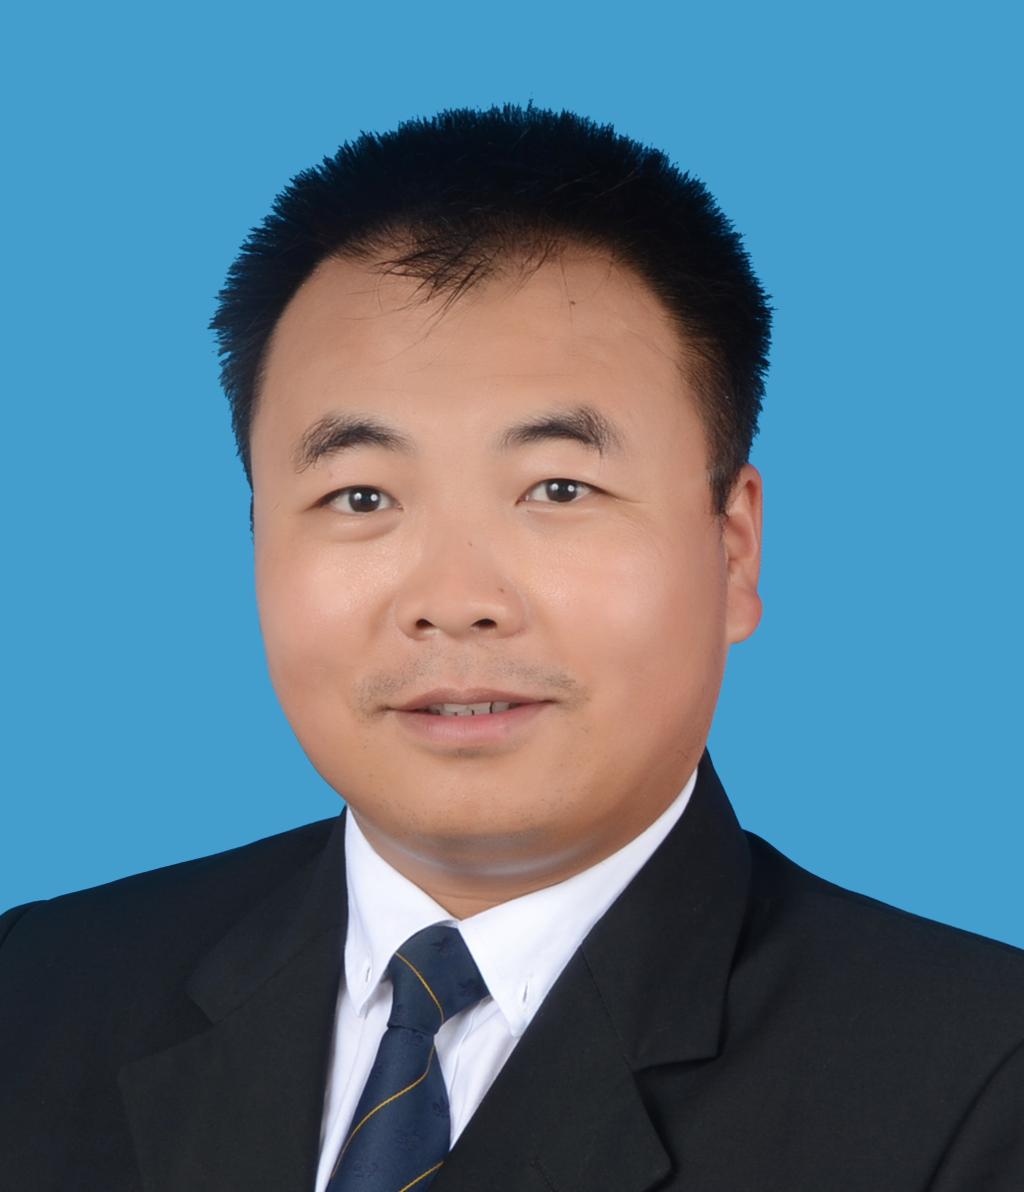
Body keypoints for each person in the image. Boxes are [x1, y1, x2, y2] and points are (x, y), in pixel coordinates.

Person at [1, 103, 1021, 1192]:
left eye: (558, 488)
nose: (456, 602)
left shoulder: (976, 1081)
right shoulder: (38, 992)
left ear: (731, 550)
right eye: (360, 496)